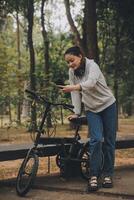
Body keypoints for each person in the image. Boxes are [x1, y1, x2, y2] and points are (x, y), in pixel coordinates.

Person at [59, 46, 117, 192]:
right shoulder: (72, 72)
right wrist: (77, 112)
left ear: (80, 56)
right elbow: (75, 95)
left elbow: (90, 84)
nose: (70, 64)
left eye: (72, 60)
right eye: (68, 62)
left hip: (108, 105)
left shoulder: (93, 66)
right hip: (92, 109)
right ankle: (93, 176)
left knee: (109, 141)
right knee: (96, 140)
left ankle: (108, 174)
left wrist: (73, 87)